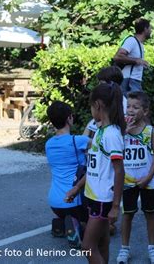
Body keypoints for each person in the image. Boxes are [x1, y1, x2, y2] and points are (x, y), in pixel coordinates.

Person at [66, 82, 125, 264]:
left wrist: (115, 206)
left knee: (87, 246)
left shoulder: (111, 135)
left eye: (91, 106)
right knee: (102, 243)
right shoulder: (100, 130)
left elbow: (119, 171)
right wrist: (77, 188)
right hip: (93, 195)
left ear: (98, 105)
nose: (91, 109)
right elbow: (94, 168)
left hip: (103, 199)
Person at [116, 91, 154, 264]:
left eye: (136, 107)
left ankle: (153, 248)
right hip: (127, 181)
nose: (131, 110)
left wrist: (149, 177)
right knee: (127, 214)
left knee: (150, 213)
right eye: (128, 106)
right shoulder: (121, 131)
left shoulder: (151, 132)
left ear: (145, 111)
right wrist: (124, 133)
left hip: (147, 181)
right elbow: (115, 152)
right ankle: (124, 248)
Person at [45, 101, 89, 248]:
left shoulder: (49, 144)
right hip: (75, 201)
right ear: (70, 118)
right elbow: (99, 143)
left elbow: (74, 142)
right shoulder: (79, 141)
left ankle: (62, 223)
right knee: (107, 228)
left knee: (67, 214)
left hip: (55, 202)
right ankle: (77, 225)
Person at [83, 66, 127, 139]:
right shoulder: (105, 101)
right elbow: (87, 134)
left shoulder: (125, 105)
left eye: (101, 83)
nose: (99, 86)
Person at [113, 18, 152, 96]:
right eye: (150, 28)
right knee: (132, 105)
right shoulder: (132, 41)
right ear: (145, 29)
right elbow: (117, 57)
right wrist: (136, 60)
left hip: (134, 80)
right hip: (129, 80)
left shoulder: (139, 44)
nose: (151, 31)